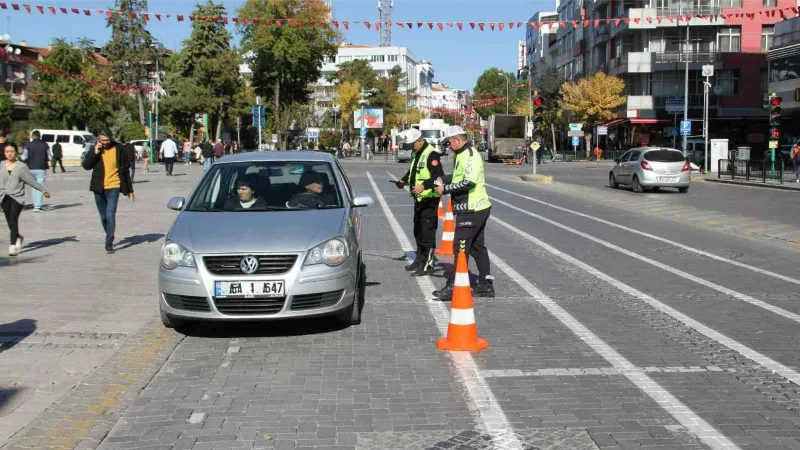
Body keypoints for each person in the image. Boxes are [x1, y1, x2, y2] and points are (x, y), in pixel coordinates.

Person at [432, 125, 494, 299]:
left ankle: (454, 285)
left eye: (449, 143)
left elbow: (468, 183)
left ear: (457, 140)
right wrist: (443, 179)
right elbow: (458, 176)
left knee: (460, 247)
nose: (448, 147)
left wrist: (445, 189)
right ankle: (485, 285)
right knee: (476, 247)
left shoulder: (470, 156)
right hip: (475, 207)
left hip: (471, 208)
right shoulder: (462, 154)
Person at [394, 128, 444, 276]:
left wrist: (424, 186)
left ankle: (427, 265)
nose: (410, 148)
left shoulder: (431, 154)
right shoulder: (417, 153)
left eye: (412, 144)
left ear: (420, 140)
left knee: (427, 234)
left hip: (429, 199)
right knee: (418, 232)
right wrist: (403, 181)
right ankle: (419, 259)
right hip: (419, 200)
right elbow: (413, 172)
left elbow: (438, 176)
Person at [82, 129, 134, 254]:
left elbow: (125, 170)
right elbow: (86, 166)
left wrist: (130, 190)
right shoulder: (95, 149)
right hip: (98, 188)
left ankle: (109, 241)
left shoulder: (119, 149)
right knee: (103, 217)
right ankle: (109, 234)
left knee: (110, 215)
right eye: (101, 140)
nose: (104, 142)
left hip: (113, 187)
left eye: (106, 140)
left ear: (111, 138)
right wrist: (95, 152)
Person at [1, 143, 51, 256]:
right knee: (9, 221)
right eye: (7, 151)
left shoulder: (21, 166)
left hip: (17, 197)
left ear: (16, 152)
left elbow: (30, 180)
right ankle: (18, 236)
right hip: (3, 197)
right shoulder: (1, 165)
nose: (9, 154)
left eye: (12, 151)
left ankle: (12, 246)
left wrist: (43, 190)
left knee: (13, 219)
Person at [21, 130, 50, 212]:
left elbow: (24, 157)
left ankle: (35, 204)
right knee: (40, 186)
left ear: (32, 136)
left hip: (30, 168)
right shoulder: (45, 145)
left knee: (34, 186)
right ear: (40, 136)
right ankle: (37, 206)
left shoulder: (28, 145)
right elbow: (50, 157)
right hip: (41, 168)